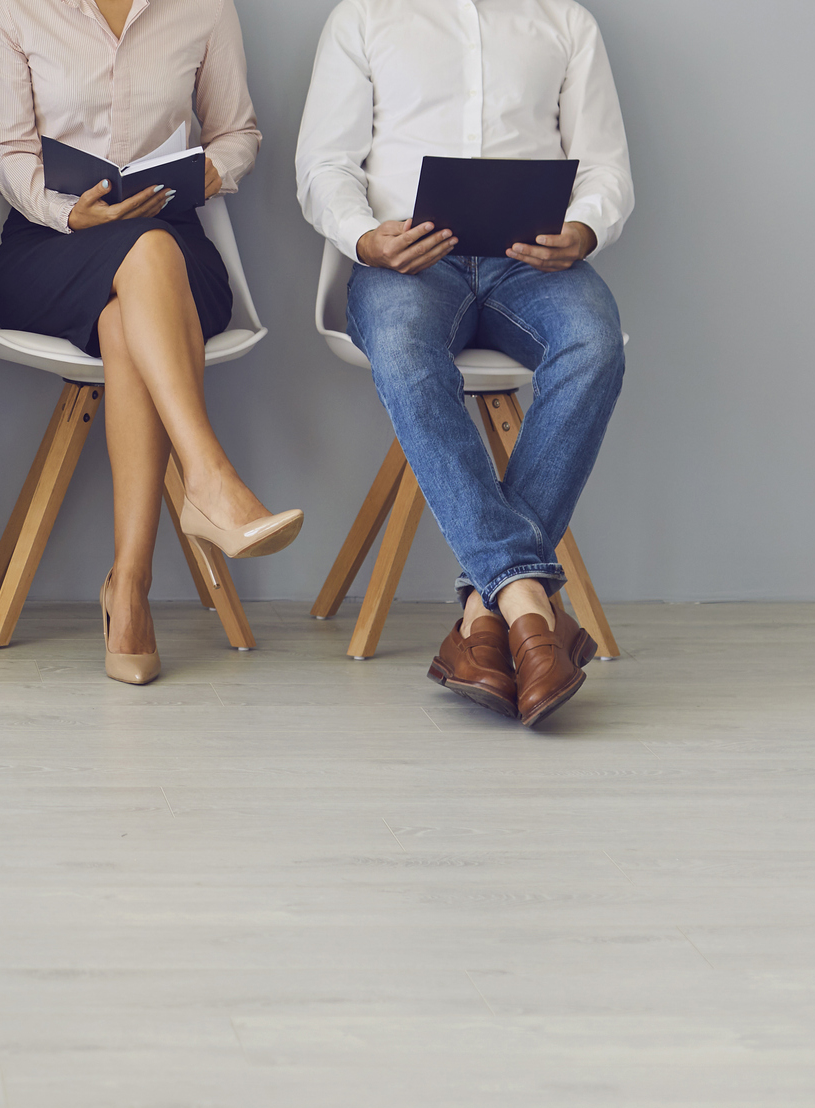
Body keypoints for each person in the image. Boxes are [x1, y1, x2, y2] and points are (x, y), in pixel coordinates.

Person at [294, 0, 632, 726]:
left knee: (594, 345)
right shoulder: (363, 16)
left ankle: (489, 611)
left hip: (530, 265)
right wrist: (363, 238)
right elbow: (322, 163)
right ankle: (528, 606)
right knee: (409, 360)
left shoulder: (563, 21)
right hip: (408, 264)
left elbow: (605, 164)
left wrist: (583, 227)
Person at [0, 0, 301, 687]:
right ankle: (208, 480)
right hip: (50, 243)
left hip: (174, 245)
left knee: (129, 310)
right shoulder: (12, 7)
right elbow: (4, 150)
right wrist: (68, 210)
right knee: (135, 274)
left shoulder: (203, 6)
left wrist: (209, 173)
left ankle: (127, 586)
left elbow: (236, 131)